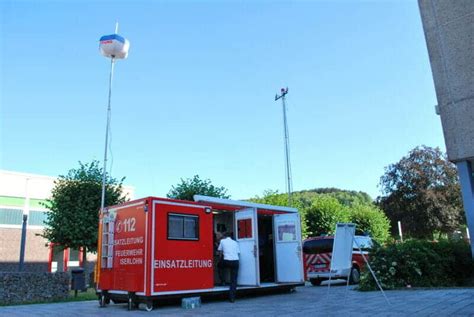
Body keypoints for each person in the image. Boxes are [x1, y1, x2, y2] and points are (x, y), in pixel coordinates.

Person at [217, 231, 240, 302]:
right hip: (235, 261)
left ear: (224, 236)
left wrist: (219, 260)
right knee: (233, 280)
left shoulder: (222, 241)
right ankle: (232, 298)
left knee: (219, 266)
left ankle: (222, 281)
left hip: (227, 261)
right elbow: (238, 253)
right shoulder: (235, 242)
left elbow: (220, 252)